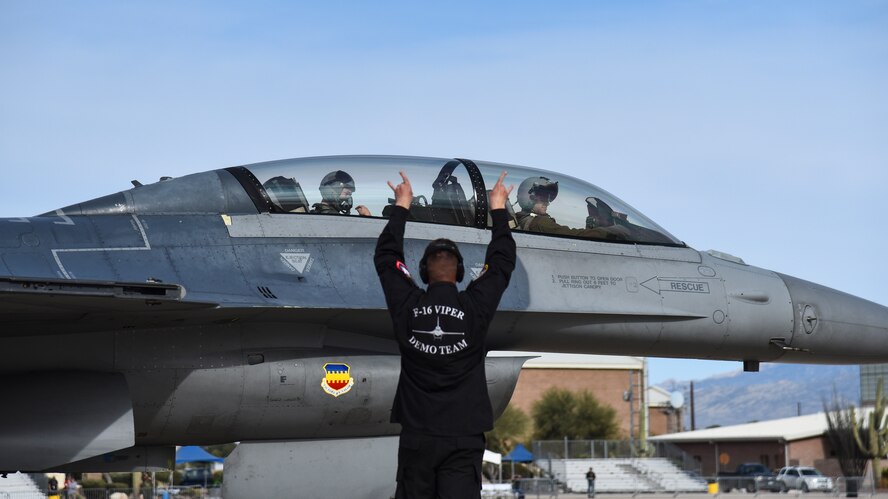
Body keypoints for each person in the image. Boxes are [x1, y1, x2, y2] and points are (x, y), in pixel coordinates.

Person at [375, 170, 516, 499]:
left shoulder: (407, 305)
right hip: (463, 440)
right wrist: (497, 208)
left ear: (423, 272)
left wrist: (402, 205)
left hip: (418, 437)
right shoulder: (475, 307)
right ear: (461, 272)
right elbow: (502, 262)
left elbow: (386, 258)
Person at [514, 176, 627, 241]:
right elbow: (573, 236)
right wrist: (610, 231)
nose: (547, 203)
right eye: (543, 198)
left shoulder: (521, 219)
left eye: (548, 199)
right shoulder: (539, 222)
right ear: (529, 198)